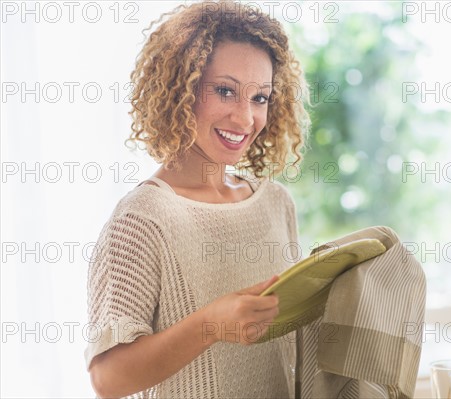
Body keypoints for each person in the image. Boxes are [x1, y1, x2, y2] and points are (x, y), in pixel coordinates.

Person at [85, 1, 310, 397]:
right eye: (225, 91)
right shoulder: (142, 219)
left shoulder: (276, 203)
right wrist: (211, 325)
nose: (244, 119)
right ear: (180, 91)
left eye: (260, 97)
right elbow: (108, 377)